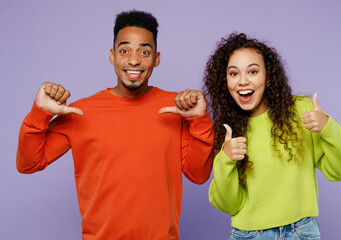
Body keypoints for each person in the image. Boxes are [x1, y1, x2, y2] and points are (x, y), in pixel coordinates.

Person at [16, 10, 214, 240]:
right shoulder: (81, 112)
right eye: (124, 50)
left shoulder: (177, 108)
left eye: (144, 52)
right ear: (112, 56)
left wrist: (199, 119)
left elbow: (198, 175)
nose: (133, 60)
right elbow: (28, 163)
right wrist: (39, 113)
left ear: (157, 59)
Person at [203, 33, 341, 239]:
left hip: (301, 231)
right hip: (250, 235)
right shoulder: (228, 130)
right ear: (225, 81)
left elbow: (340, 172)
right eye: (234, 73)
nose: (243, 81)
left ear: (268, 77)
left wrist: (328, 127)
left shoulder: (301, 110)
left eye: (253, 71)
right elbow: (229, 204)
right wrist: (225, 159)